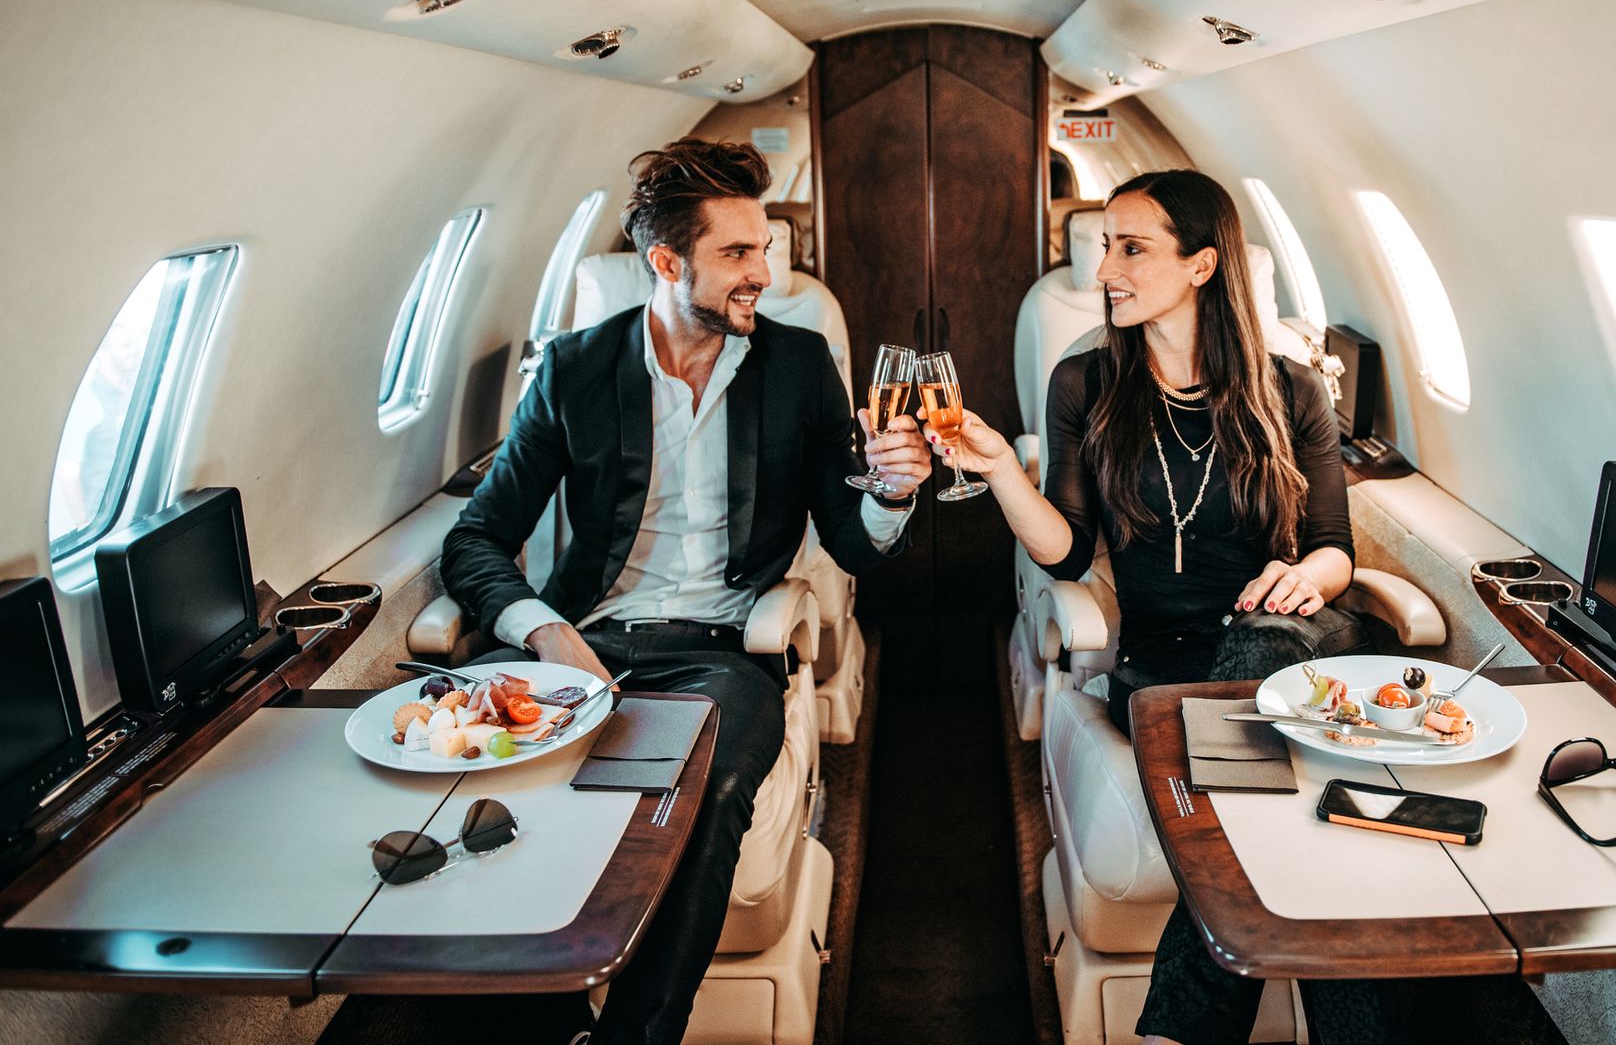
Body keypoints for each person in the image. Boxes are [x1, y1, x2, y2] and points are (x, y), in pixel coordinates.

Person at [440, 137, 932, 1045]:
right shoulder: (576, 369)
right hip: (580, 642)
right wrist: (545, 633)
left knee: (703, 795)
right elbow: (474, 540)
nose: (764, 275)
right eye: (738, 255)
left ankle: (638, 1035)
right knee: (521, 807)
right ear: (667, 264)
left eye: (766, 249)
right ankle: (547, 1017)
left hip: (720, 651)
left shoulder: (798, 364)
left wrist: (892, 494)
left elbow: (852, 546)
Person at [923, 168, 1368, 1045]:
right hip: (1164, 667)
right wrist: (1003, 472)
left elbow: (1333, 545)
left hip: (1295, 649)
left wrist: (1308, 578)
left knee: (1263, 643)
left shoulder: (1292, 390)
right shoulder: (1084, 383)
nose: (1106, 270)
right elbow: (1068, 551)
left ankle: (1175, 1033)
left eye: (1132, 249)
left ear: (1203, 265)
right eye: (1103, 248)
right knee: (1313, 850)